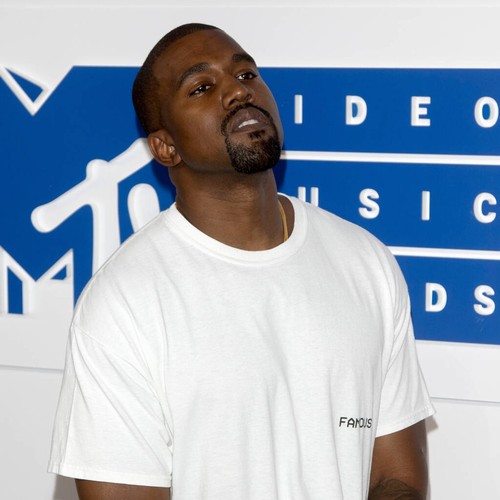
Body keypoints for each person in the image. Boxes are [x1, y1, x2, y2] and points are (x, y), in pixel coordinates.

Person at [48, 23, 435, 500]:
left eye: (246, 74)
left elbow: (396, 476)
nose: (237, 91)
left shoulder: (364, 261)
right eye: (201, 87)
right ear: (166, 147)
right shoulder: (122, 304)